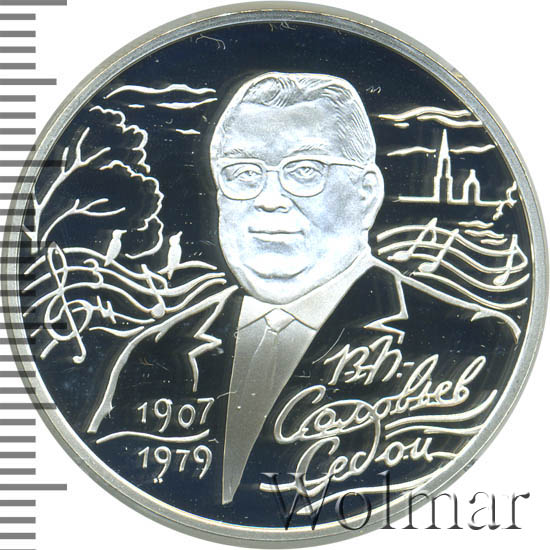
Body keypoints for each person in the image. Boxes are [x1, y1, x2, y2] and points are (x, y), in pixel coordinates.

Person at [208, 72, 518, 505]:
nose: (269, 198)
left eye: (305, 170)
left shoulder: (475, 344)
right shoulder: (154, 350)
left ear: (366, 195)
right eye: (243, 173)